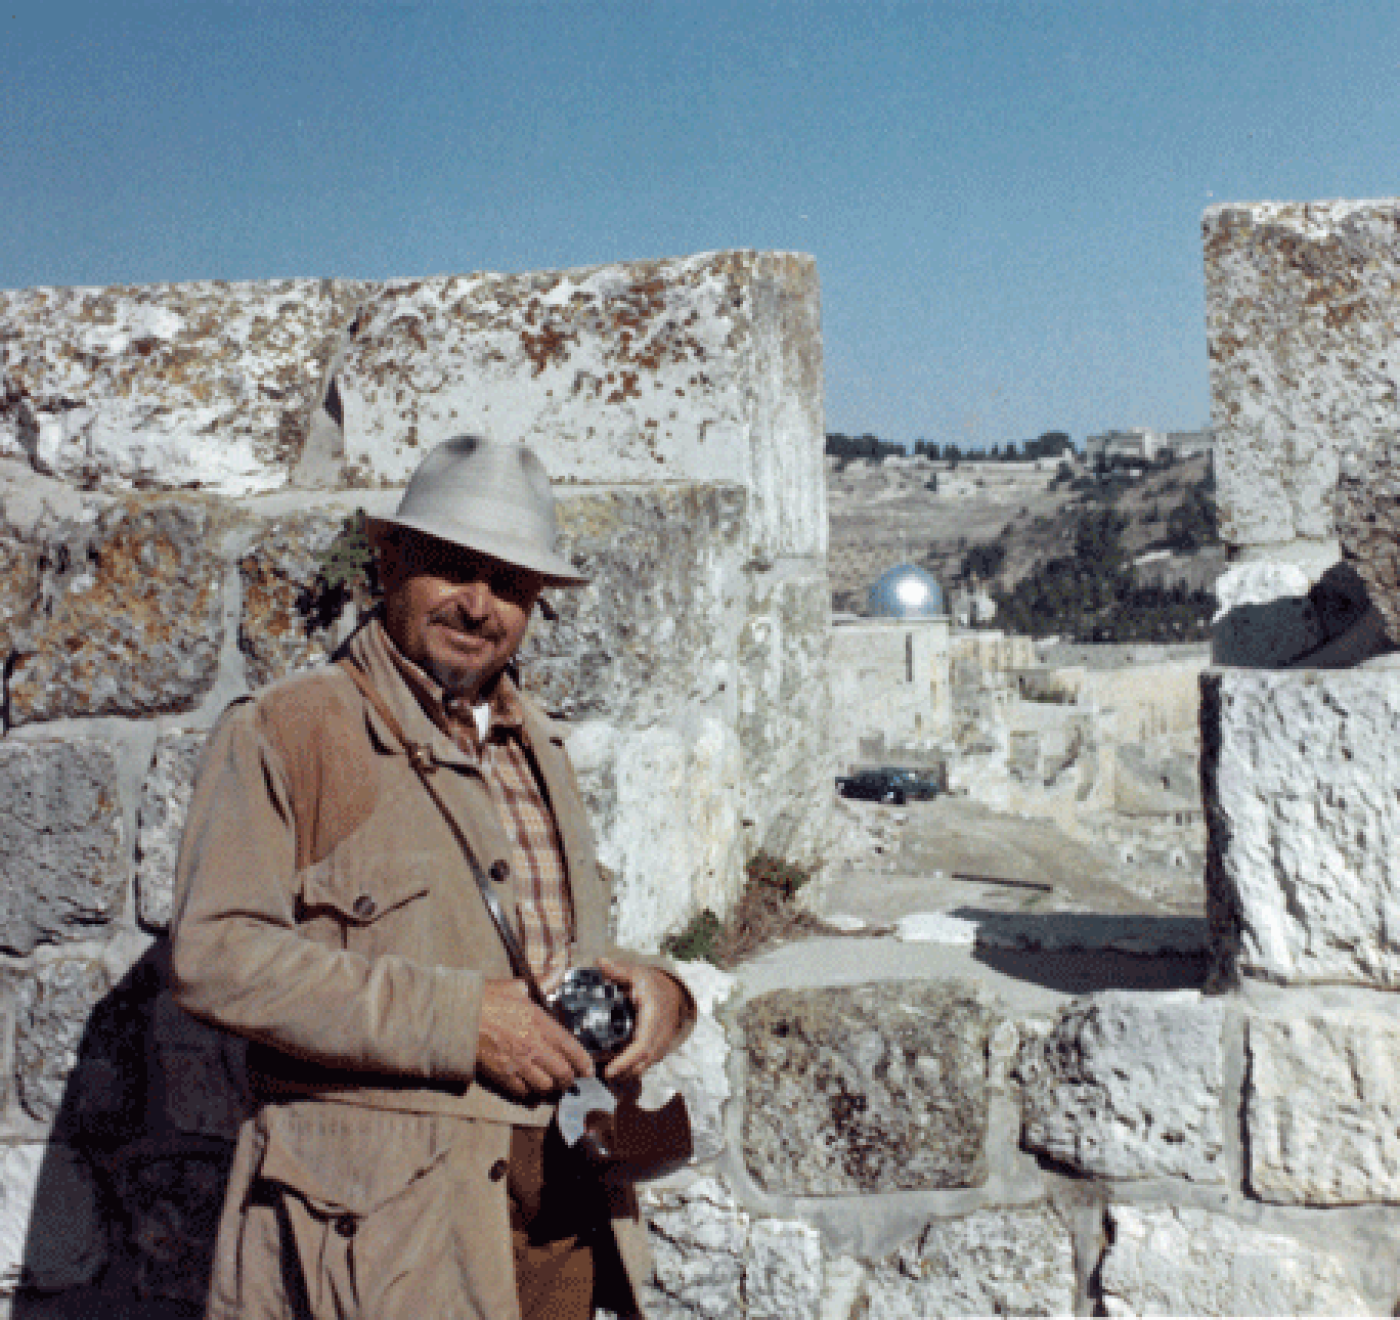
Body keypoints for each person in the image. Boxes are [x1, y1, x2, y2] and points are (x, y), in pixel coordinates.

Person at [171, 435, 694, 1320]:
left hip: (557, 1219)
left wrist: (664, 995)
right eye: (454, 567)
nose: (480, 606)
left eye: (513, 585)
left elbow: (539, 954)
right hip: (385, 1237)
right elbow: (216, 956)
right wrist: (459, 1022)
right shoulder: (289, 731)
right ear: (391, 561)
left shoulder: (543, 748)